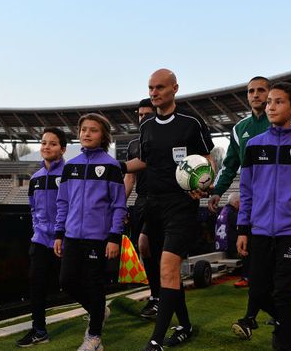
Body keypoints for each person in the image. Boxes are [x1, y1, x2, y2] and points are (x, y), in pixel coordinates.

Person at [122, 69, 215, 351]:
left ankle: (155, 342)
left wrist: (205, 183)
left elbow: (208, 160)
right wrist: (119, 167)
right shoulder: (147, 126)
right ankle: (185, 325)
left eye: (160, 87)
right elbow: (145, 163)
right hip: (152, 206)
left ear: (174, 88)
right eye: (151, 87)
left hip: (181, 207)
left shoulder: (191, 123)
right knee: (159, 265)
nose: (154, 92)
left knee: (168, 269)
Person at [235, 82, 291, 350]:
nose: (270, 106)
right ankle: (285, 324)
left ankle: (284, 345)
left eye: (278, 102)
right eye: (269, 101)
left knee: (285, 294)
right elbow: (246, 190)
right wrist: (242, 228)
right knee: (259, 292)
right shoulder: (253, 145)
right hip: (259, 231)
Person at [54, 114, 127, 351]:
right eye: (83, 129)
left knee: (94, 285)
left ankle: (94, 337)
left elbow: (118, 205)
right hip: (72, 236)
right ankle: (99, 311)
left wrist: (114, 237)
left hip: (99, 238)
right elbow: (62, 202)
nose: (86, 133)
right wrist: (59, 233)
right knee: (67, 282)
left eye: (93, 130)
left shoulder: (111, 166)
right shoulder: (70, 167)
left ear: (103, 136)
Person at [209, 76, 271, 287]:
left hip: (279, 197)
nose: (255, 94)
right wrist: (217, 191)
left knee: (272, 244)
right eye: (251, 91)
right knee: (249, 240)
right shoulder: (239, 129)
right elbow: (229, 165)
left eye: (261, 90)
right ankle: (249, 277)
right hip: (251, 197)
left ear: (269, 94)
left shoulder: (282, 122)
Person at [16, 127, 68, 348]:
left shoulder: (69, 174)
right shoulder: (35, 178)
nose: (46, 147)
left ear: (63, 149)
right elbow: (32, 209)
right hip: (40, 241)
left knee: (72, 283)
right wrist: (38, 230)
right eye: (44, 142)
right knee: (36, 285)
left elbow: (72, 208)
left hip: (64, 240)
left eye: (53, 143)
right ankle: (39, 330)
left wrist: (63, 235)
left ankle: (96, 313)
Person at [124, 98, 160, 319]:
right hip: (141, 201)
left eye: (148, 114)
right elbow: (129, 178)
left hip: (163, 201)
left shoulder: (169, 139)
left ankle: (159, 297)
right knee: (144, 249)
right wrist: (118, 205)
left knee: (147, 245)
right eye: (140, 115)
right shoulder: (133, 145)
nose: (143, 118)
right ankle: (157, 295)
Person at [214, 192, 240, 258]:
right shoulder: (231, 213)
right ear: (237, 202)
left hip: (220, 245)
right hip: (229, 248)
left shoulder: (224, 211)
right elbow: (240, 227)